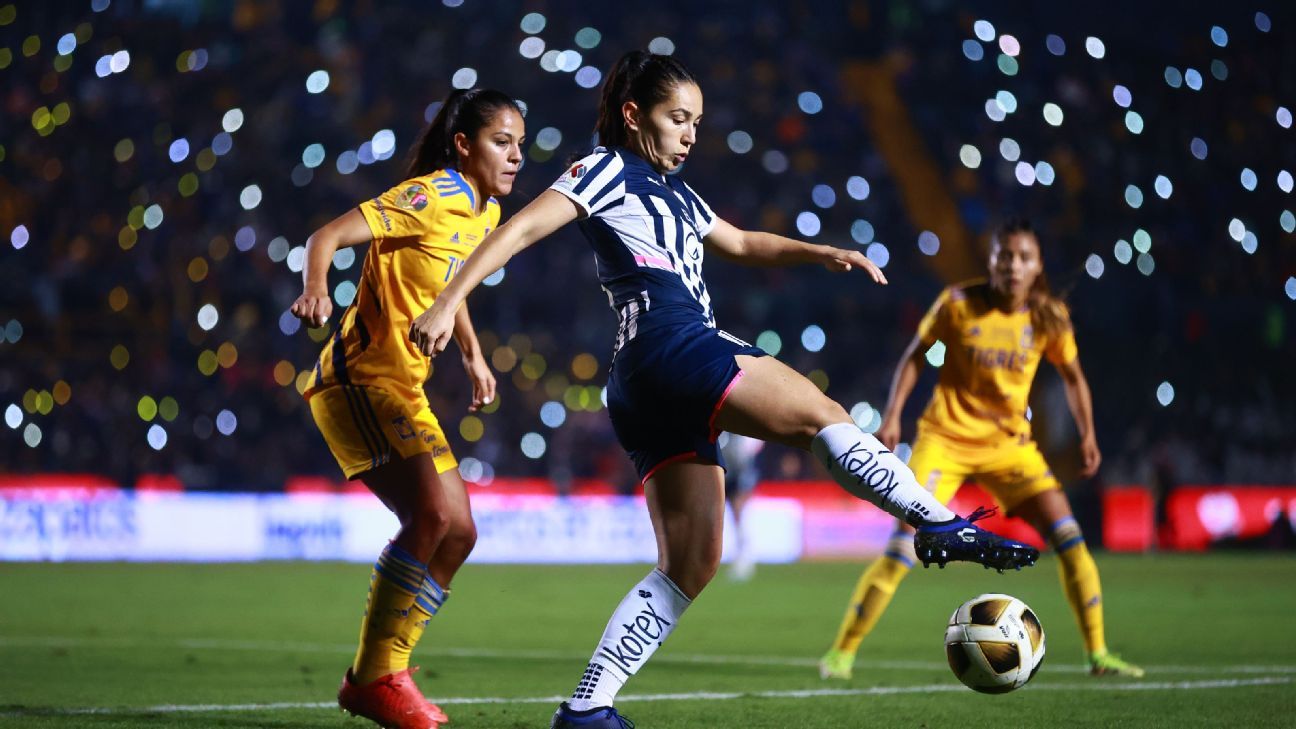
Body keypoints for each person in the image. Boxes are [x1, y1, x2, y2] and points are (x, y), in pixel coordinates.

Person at [407, 52, 1038, 728]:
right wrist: (448, 302)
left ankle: (587, 708)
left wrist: (819, 251)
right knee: (820, 416)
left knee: (690, 562)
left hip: (640, 385)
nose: (689, 134)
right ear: (632, 115)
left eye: (697, 123)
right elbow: (523, 227)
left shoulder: (678, 192)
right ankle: (936, 521)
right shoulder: (604, 169)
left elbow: (739, 241)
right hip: (670, 340)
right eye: (677, 118)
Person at [818, 218, 1144, 682]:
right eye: (1005, 255)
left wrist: (1087, 434)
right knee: (900, 550)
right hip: (944, 441)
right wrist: (892, 416)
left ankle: (1098, 654)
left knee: (1070, 540)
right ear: (991, 260)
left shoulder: (1048, 316)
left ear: (1037, 267)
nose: (1013, 265)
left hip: (1010, 449)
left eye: (1023, 257)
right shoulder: (957, 303)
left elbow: (1074, 377)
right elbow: (915, 353)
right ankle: (841, 653)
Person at [290, 88, 524, 729]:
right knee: (430, 514)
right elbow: (328, 235)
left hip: (405, 389)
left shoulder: (484, 212)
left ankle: (383, 672)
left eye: (520, 145)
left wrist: (474, 354)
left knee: (461, 532)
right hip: (359, 381)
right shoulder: (432, 194)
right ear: (463, 145)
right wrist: (317, 289)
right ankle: (373, 678)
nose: (515, 157)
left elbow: (456, 285)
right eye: (502, 142)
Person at [719, 431, 764, 581]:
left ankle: (744, 557)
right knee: (732, 516)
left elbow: (754, 444)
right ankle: (739, 557)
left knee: (740, 514)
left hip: (739, 469)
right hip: (727, 468)